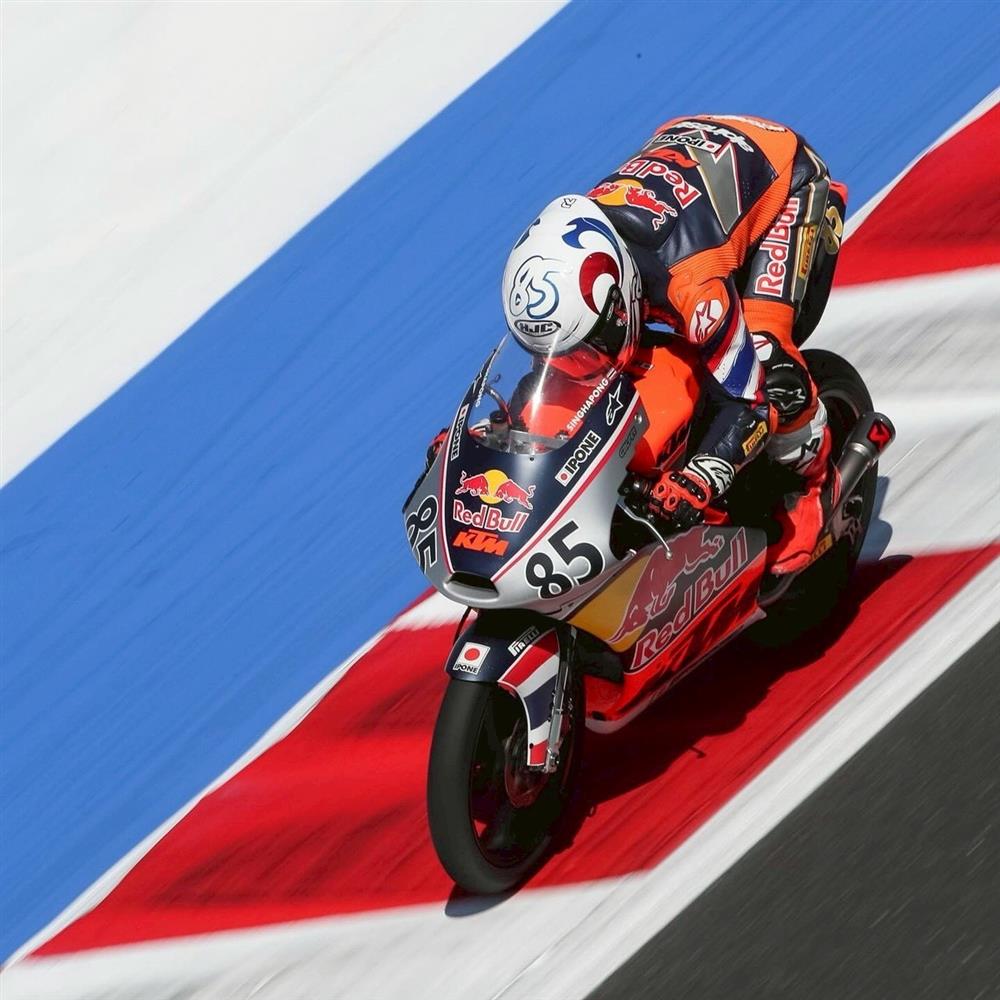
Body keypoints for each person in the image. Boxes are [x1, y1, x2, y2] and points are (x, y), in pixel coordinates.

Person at [500, 114, 847, 574]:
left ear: (618, 303)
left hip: (783, 183)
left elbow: (752, 402)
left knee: (766, 359)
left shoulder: (690, 284)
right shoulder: (568, 267)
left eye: (585, 346)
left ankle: (815, 484)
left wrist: (702, 477)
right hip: (689, 151)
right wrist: (501, 435)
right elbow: (548, 374)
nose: (575, 363)